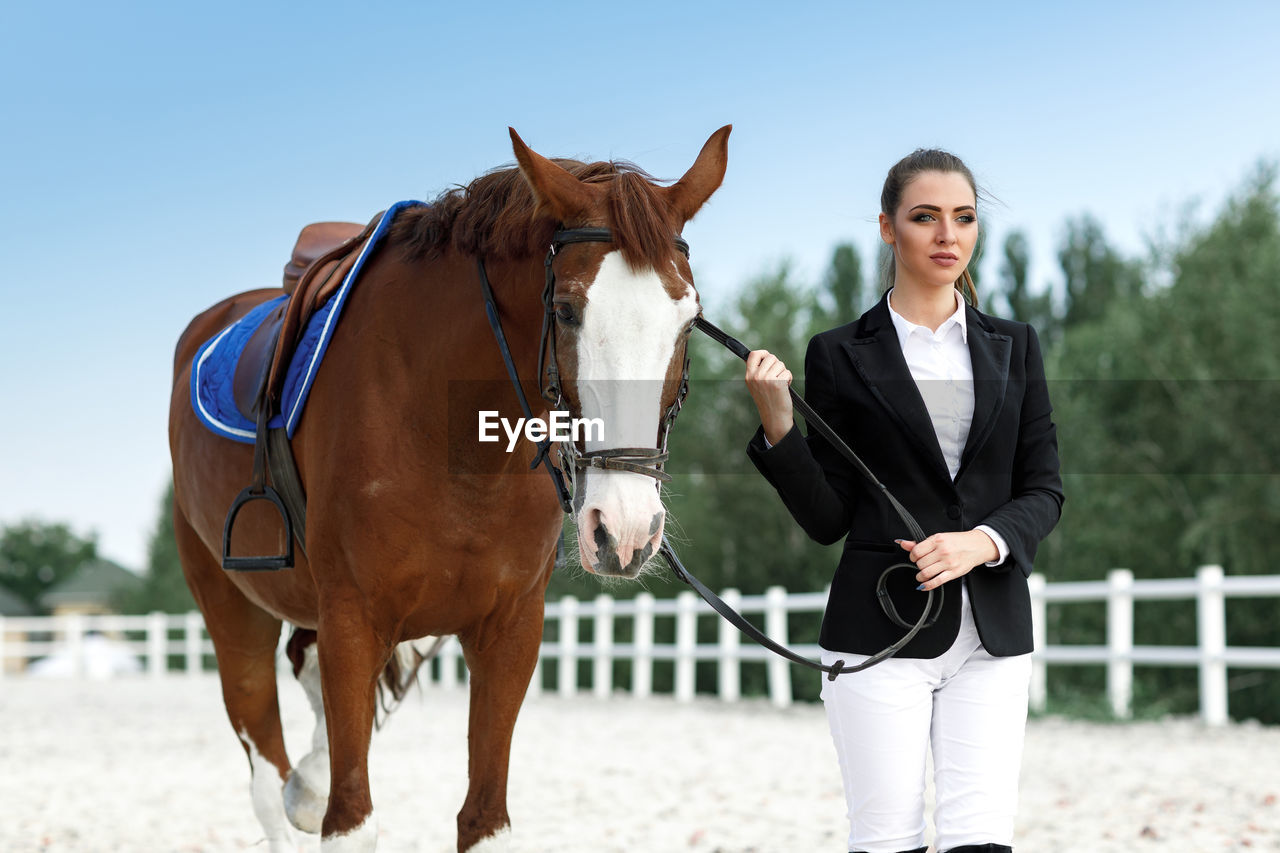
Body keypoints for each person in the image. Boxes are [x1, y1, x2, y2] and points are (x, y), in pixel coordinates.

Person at [743, 149, 1064, 853]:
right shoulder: (837, 354)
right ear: (889, 228)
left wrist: (981, 541)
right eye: (926, 217)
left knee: (982, 841)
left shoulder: (1017, 345)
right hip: (878, 630)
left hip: (994, 632)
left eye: (964, 218)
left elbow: (1044, 488)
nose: (947, 235)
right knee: (887, 840)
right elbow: (828, 518)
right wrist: (778, 426)